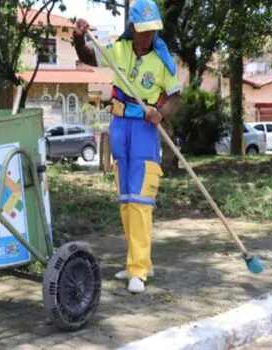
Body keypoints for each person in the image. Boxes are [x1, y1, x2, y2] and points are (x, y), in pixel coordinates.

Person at [72, 0, 182, 293]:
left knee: (141, 201)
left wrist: (161, 113)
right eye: (143, 31)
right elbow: (85, 54)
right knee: (125, 200)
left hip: (146, 131)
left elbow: (175, 98)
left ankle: (138, 270)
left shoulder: (161, 61)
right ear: (132, 28)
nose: (147, 37)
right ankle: (139, 261)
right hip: (120, 129)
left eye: (152, 31)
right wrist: (78, 35)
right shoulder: (117, 50)